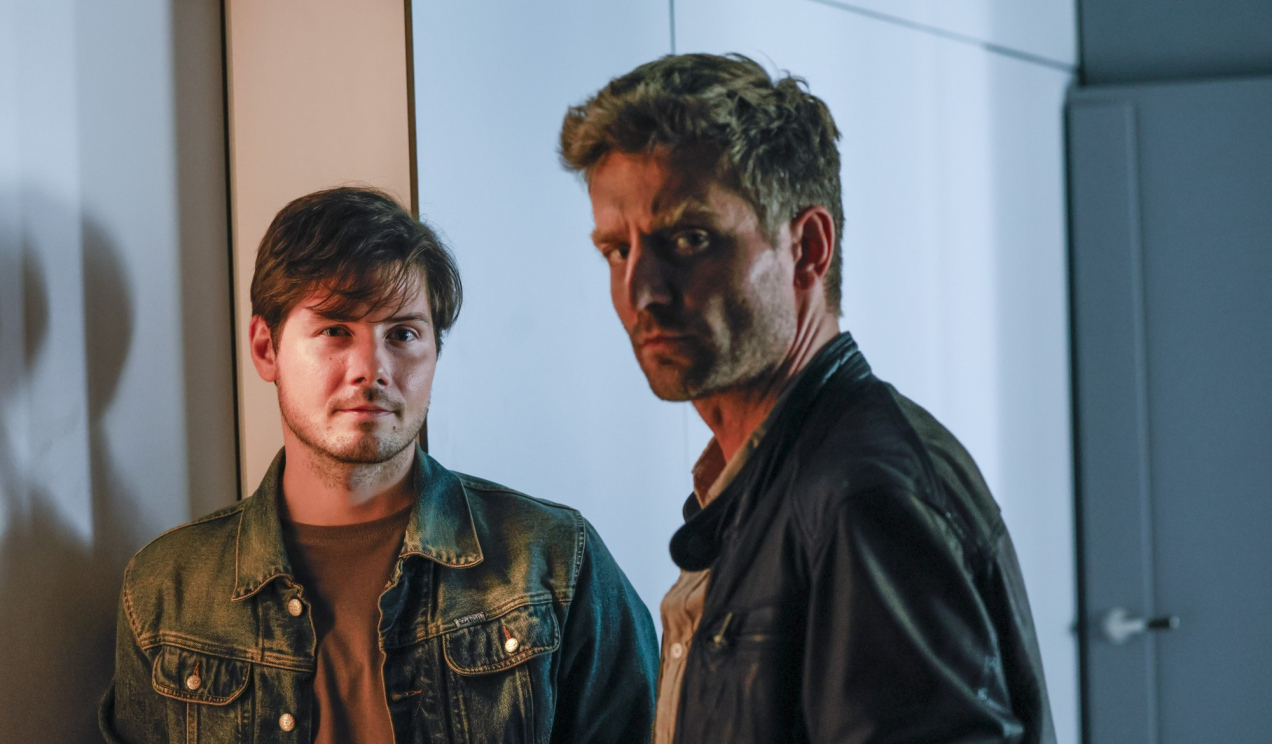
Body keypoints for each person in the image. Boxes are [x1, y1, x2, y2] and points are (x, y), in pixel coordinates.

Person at [560, 53, 1056, 744]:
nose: (641, 290)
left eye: (689, 239)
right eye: (617, 250)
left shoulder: (862, 493)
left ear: (808, 248)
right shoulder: (767, 482)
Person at [98, 187, 658, 743]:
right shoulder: (167, 592)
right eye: (335, 330)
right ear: (266, 348)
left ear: (435, 350)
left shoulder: (555, 562)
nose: (372, 369)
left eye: (403, 334)